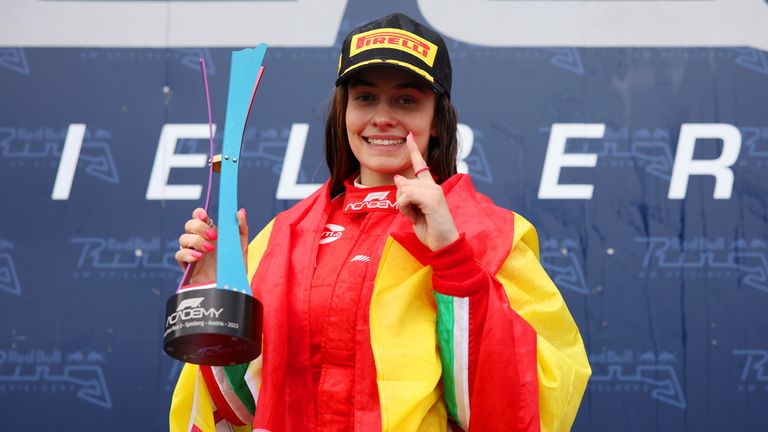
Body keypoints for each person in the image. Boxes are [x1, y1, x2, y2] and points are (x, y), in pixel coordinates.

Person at [170, 13, 591, 432]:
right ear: (343, 112)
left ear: (438, 121)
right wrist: (220, 296)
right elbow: (239, 410)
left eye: (406, 100)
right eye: (365, 98)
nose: (382, 117)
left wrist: (455, 263)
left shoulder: (490, 234)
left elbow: (520, 407)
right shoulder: (284, 235)